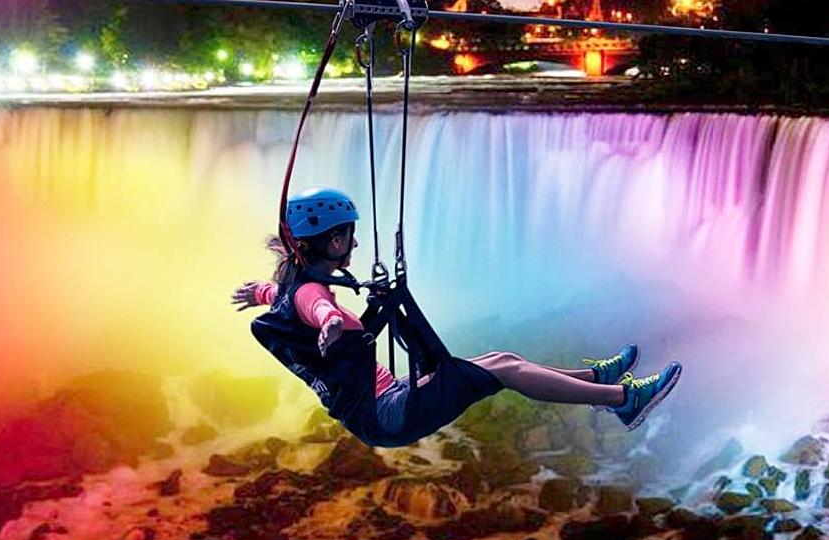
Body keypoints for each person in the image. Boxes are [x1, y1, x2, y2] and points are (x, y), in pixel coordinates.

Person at [233, 187, 681, 449]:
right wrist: (331, 320)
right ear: (333, 241)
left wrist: (258, 291)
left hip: (386, 404)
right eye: (349, 233)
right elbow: (317, 308)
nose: (353, 241)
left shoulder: (289, 291)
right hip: (389, 414)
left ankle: (596, 378)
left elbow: (286, 299)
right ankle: (623, 399)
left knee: (499, 357)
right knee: (504, 369)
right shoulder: (312, 295)